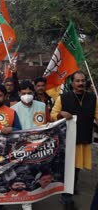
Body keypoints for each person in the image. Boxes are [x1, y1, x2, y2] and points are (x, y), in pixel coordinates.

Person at [51, 71, 98, 209]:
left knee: (76, 168)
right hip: (67, 141)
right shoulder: (63, 98)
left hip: (83, 139)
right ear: (72, 83)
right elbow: (53, 115)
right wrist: (60, 113)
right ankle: (66, 199)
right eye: (77, 81)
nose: (80, 83)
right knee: (69, 169)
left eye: (82, 81)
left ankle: (71, 187)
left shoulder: (93, 98)